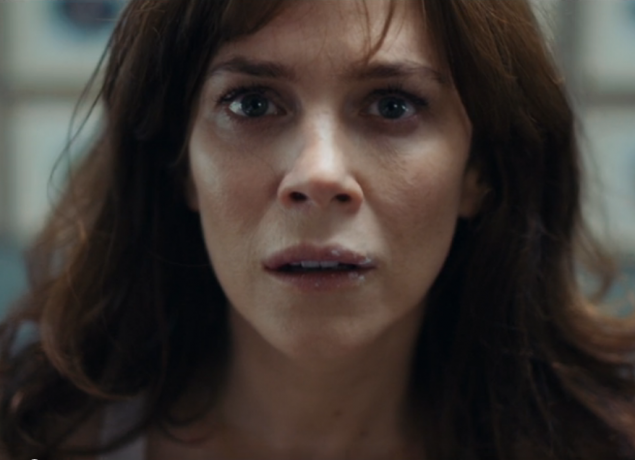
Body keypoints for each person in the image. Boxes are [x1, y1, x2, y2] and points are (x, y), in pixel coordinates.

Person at [1, 0, 635, 459]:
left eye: (392, 105)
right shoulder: (31, 432)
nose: (319, 173)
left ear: (479, 171)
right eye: (252, 103)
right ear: (181, 165)